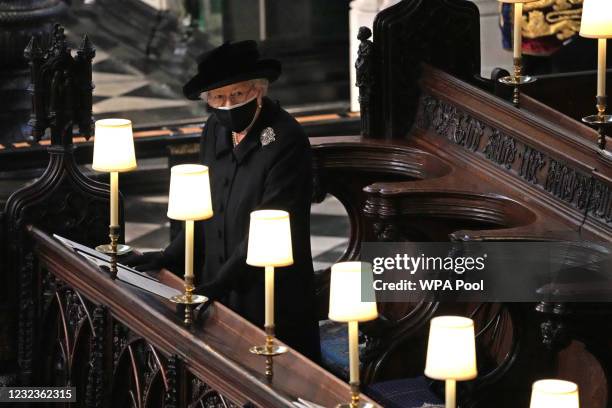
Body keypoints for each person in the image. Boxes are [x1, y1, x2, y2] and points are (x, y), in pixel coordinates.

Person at [126, 40, 321, 362]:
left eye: (237, 94)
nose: (227, 104)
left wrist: (219, 285)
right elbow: (204, 204)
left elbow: (271, 221)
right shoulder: (215, 128)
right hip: (216, 276)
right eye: (218, 97)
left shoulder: (285, 139)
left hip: (265, 286)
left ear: (258, 91)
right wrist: (169, 255)